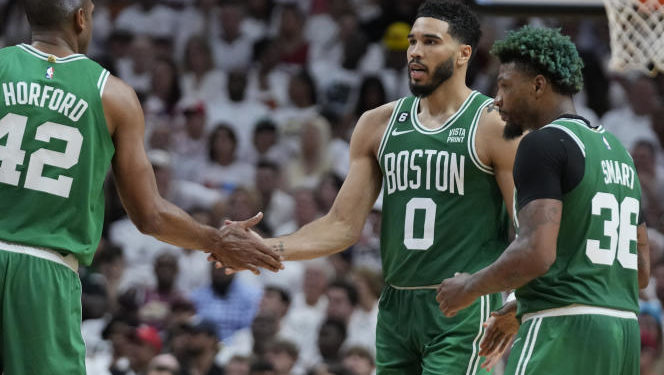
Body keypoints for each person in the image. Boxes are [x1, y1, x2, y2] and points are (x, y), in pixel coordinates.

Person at [216, 1, 519, 373]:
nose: (415, 52)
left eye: (430, 41)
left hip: (463, 305)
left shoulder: (494, 125)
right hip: (394, 307)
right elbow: (342, 225)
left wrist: (516, 302)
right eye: (412, 42)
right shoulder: (378, 124)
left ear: (463, 54)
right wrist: (268, 247)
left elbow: (529, 227)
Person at [0, 1, 282, 374]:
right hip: (44, 273)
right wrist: (216, 240)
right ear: (81, 17)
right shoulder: (113, 96)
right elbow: (149, 215)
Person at [436, 26, 651, 375]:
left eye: (505, 84)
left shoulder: (543, 144)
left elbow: (536, 253)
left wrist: (469, 287)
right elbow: (640, 271)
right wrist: (522, 301)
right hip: (622, 333)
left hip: (561, 332)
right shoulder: (619, 153)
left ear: (538, 85)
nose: (496, 98)